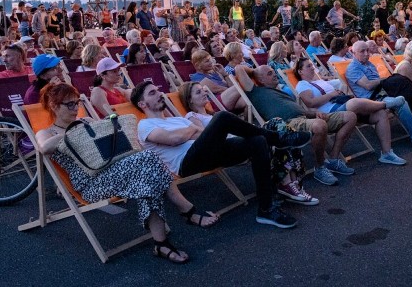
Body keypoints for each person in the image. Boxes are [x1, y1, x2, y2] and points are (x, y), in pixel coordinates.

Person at [36, 83, 193, 263]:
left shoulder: (86, 120)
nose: (75, 108)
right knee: (147, 162)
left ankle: (162, 244)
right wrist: (73, 133)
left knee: (145, 173)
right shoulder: (47, 132)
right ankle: (185, 210)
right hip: (91, 184)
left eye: (77, 103)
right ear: (55, 106)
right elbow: (43, 147)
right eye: (69, 104)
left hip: (113, 171)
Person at [134, 81, 310, 228]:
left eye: (158, 90)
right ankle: (278, 138)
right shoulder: (144, 125)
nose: (159, 93)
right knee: (222, 118)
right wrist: (190, 130)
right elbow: (172, 138)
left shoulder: (176, 120)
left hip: (208, 153)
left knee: (258, 142)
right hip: (187, 162)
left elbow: (198, 133)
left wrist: (189, 131)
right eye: (152, 93)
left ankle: (266, 209)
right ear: (142, 104)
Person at [234, 64, 369, 185]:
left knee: (350, 116)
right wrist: (256, 72)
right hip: (288, 124)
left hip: (306, 118)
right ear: (261, 80)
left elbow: (300, 110)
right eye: (269, 73)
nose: (274, 74)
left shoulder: (280, 92)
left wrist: (315, 113)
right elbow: (239, 68)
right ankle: (320, 167)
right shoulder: (255, 91)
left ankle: (333, 160)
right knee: (319, 126)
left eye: (273, 71)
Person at [293, 58, 405, 163]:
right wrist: (331, 94)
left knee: (380, 114)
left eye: (312, 65)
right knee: (354, 102)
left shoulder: (318, 82)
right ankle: (386, 104)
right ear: (300, 71)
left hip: (341, 106)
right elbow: (310, 102)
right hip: (331, 114)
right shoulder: (302, 84)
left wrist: (336, 92)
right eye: (308, 66)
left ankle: (387, 153)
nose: (313, 67)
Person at [346, 40, 412, 150]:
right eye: (362, 51)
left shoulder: (369, 64)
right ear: (354, 53)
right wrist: (385, 79)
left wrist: (385, 81)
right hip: (372, 99)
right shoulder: (353, 68)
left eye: (367, 50)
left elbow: (376, 83)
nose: (366, 53)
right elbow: (368, 86)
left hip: (384, 92)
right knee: (401, 101)